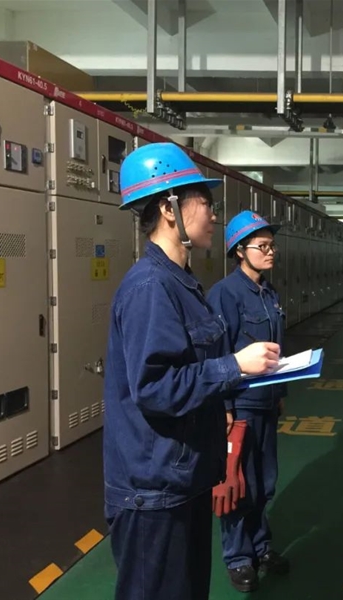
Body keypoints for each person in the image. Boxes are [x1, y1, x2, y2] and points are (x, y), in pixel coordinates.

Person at [103, 142, 281, 600]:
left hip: (185, 479)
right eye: (205, 202)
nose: (214, 215)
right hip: (155, 492)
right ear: (169, 209)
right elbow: (155, 387)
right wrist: (235, 365)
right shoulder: (150, 287)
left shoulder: (180, 283)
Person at [206, 210, 290, 593]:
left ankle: (260, 546)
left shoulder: (268, 293)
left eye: (272, 245)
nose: (270, 252)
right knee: (239, 485)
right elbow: (219, 353)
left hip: (267, 403)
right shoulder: (224, 295)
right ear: (240, 250)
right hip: (240, 407)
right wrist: (224, 407)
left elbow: (275, 350)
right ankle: (238, 557)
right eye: (262, 246)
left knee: (266, 482)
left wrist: (280, 394)